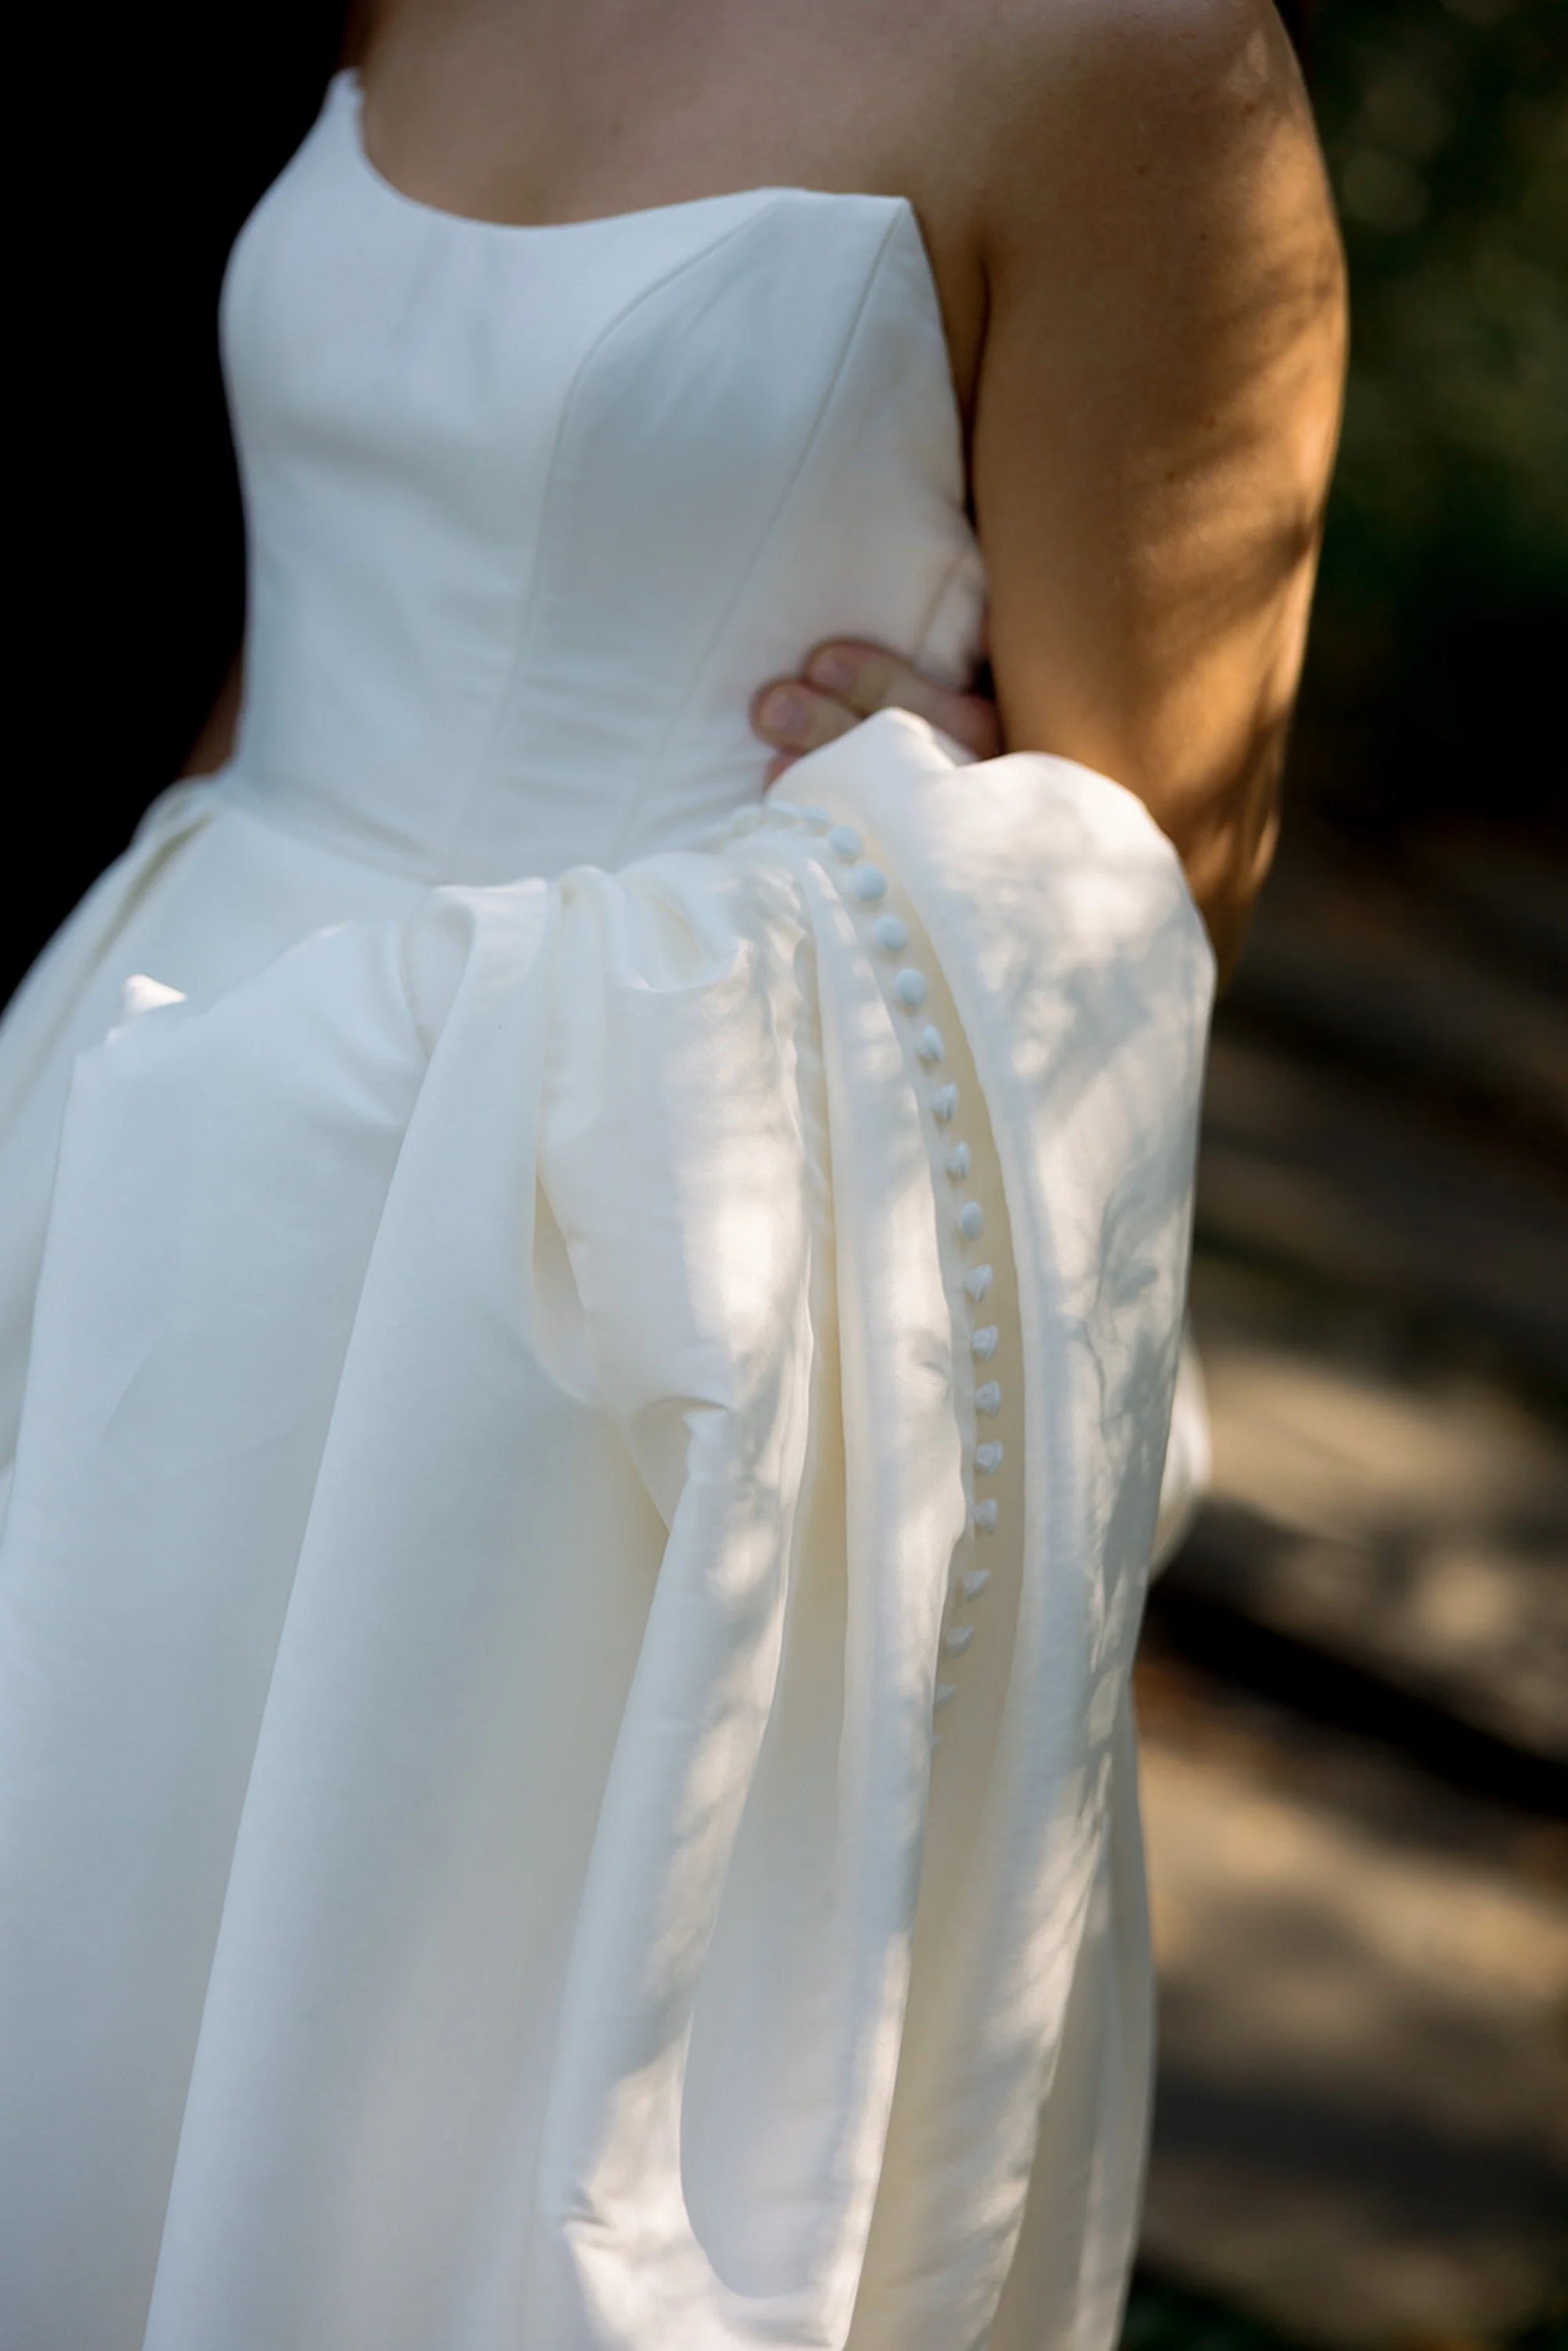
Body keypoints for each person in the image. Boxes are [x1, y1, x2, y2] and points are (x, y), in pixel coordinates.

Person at [0, 2, 1345, 2345]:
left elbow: (1149, 906)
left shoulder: (1141, 64)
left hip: (568, 1348)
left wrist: (923, 844)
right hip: (151, 1142)